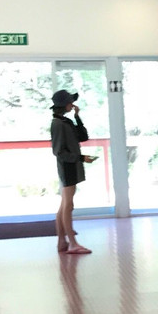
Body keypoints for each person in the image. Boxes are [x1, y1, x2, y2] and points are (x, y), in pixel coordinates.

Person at [50, 89, 96, 254]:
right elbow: (59, 151)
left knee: (65, 204)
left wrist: (77, 117)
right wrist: (81, 158)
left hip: (71, 166)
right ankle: (72, 243)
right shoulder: (57, 124)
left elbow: (83, 137)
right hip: (67, 167)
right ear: (65, 105)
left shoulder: (65, 122)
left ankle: (62, 241)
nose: (72, 104)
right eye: (70, 102)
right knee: (68, 205)